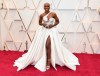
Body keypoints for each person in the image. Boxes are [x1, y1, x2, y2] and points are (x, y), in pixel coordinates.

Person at [13, 3, 80, 72]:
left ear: (49, 7)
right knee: (44, 45)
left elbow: (57, 21)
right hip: (44, 31)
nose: (46, 7)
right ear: (44, 7)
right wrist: (43, 24)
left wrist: (52, 25)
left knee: (48, 44)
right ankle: (44, 59)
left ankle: (48, 61)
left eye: (47, 6)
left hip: (52, 31)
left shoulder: (53, 14)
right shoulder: (41, 15)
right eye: (45, 6)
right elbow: (40, 23)